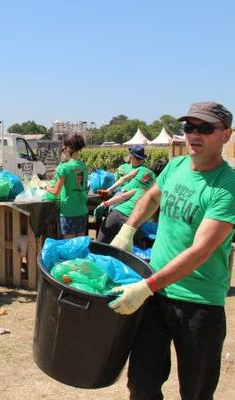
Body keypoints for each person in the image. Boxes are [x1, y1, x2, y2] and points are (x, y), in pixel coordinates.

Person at [108, 102, 235, 399]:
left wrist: (144, 287)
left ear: (226, 135)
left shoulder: (227, 187)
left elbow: (200, 251)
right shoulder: (175, 166)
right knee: (141, 384)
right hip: (156, 295)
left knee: (196, 392)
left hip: (199, 303)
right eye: (189, 127)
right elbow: (151, 197)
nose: (194, 134)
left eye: (205, 128)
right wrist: (128, 229)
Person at [95, 159, 165, 244]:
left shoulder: (142, 169)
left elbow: (123, 184)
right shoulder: (156, 183)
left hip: (116, 209)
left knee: (100, 245)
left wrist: (107, 194)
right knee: (126, 248)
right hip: (130, 218)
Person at [41, 135, 88, 238]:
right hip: (82, 210)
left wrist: (44, 186)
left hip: (68, 211)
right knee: (80, 244)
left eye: (63, 149)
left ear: (68, 148)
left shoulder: (63, 168)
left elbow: (55, 192)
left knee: (69, 245)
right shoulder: (84, 166)